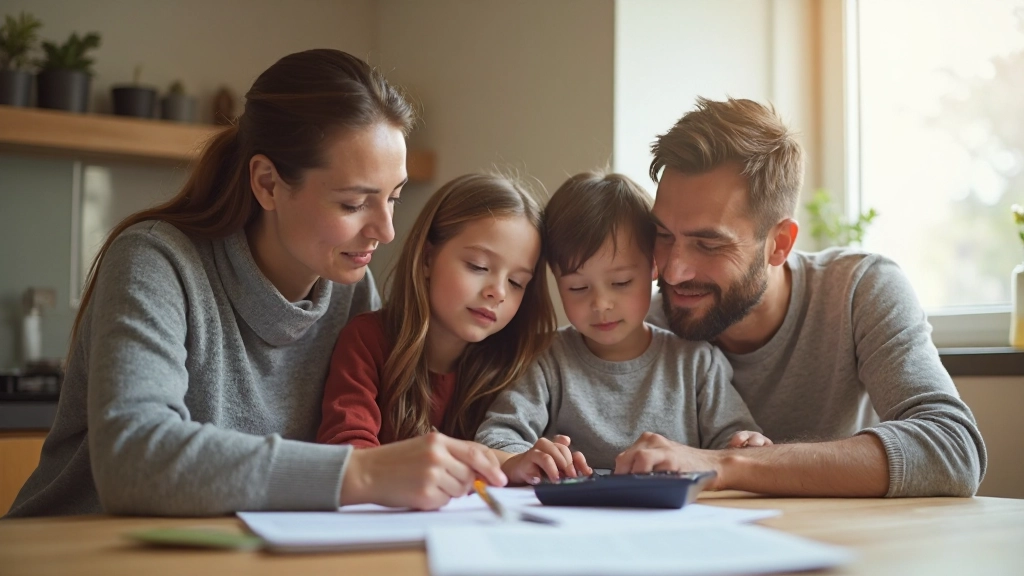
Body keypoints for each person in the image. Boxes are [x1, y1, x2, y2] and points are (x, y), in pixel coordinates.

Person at [5, 49, 505, 518]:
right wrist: (364, 471)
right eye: (354, 203)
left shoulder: (350, 287)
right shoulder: (155, 260)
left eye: (393, 197)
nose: (386, 230)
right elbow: (133, 460)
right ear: (267, 183)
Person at [617, 97, 986, 497]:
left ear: (779, 244)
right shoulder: (642, 328)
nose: (672, 271)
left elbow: (953, 449)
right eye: (663, 236)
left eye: (708, 244)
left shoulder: (857, 291)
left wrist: (726, 465)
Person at [475, 171, 771, 485]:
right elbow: (496, 436)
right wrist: (522, 459)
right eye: (577, 288)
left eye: (621, 282)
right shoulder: (545, 359)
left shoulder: (696, 363)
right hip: (574, 519)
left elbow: (732, 445)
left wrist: (746, 443)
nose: (601, 304)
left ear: (654, 267)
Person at [316, 173, 557, 451]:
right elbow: (347, 452)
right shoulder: (367, 341)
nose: (498, 292)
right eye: (478, 266)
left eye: (516, 283)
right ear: (428, 258)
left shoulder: (513, 366)